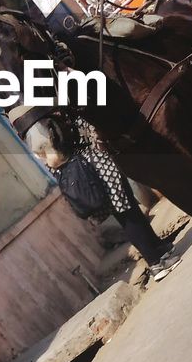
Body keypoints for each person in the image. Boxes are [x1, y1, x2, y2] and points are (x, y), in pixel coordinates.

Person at [57, 115, 180, 282]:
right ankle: (156, 262)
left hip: (97, 165)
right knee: (127, 214)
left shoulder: (58, 117)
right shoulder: (63, 116)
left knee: (130, 209)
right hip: (98, 166)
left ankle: (159, 249)